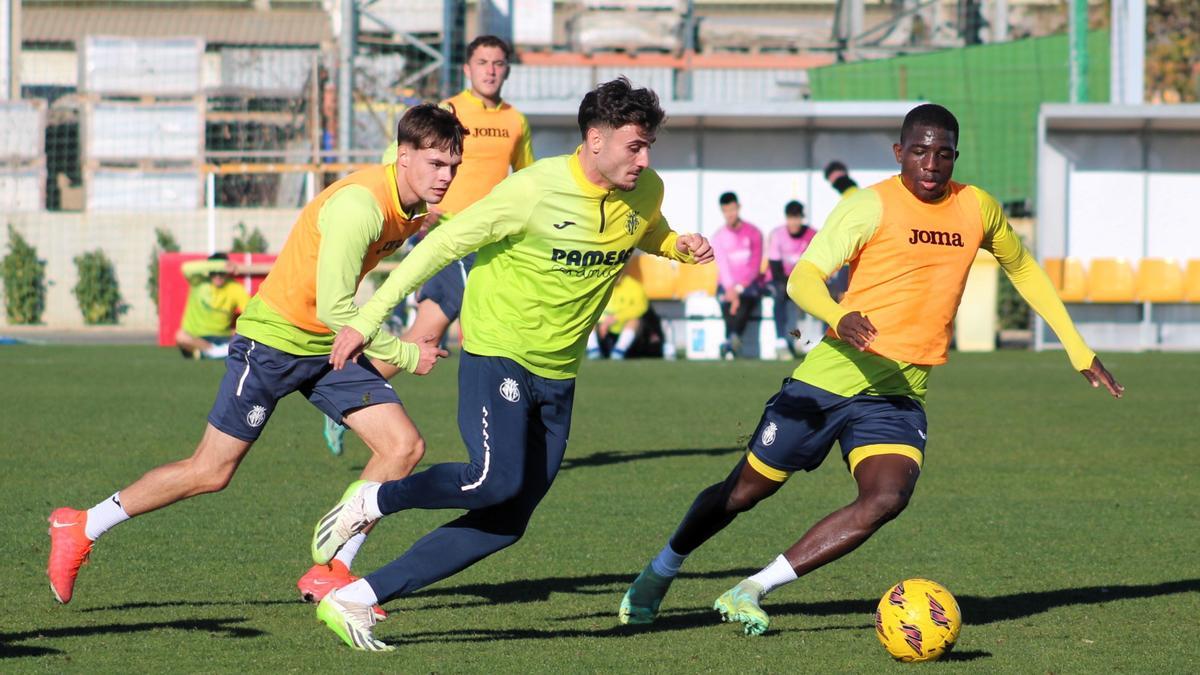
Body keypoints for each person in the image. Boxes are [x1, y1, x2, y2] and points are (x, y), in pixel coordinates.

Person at [618, 103, 1124, 636]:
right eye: (921, 151)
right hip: (827, 382)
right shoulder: (869, 206)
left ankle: (752, 588)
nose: (931, 164)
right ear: (899, 152)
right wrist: (840, 314)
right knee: (744, 492)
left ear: (955, 157)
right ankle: (661, 569)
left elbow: (1022, 267)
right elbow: (803, 279)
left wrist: (1076, 347)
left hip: (899, 393)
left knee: (886, 498)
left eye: (944, 154)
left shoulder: (976, 208)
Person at [306, 77, 714, 652]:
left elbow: (647, 230)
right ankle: (370, 500)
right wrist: (369, 319)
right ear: (595, 140)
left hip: (560, 375)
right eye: (634, 146)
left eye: (648, 146)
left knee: (508, 520)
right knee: (489, 478)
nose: (644, 158)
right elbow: (440, 247)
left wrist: (676, 246)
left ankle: (356, 598)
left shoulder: (646, 190)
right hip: (498, 353)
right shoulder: (531, 190)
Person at [46, 104, 464, 616]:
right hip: (273, 344)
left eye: (453, 167)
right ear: (403, 158)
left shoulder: (410, 192)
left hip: (325, 347)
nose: (446, 178)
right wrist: (404, 352)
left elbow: (336, 314)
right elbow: (336, 308)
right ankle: (82, 525)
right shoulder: (361, 207)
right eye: (436, 165)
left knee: (402, 446)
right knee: (210, 471)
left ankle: (332, 568)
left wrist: (435, 121)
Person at [324, 34, 535, 456]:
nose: (491, 69)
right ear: (467, 69)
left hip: (491, 242)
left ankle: (499, 438)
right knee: (428, 333)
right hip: (448, 239)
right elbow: (398, 155)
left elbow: (528, 179)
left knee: (480, 335)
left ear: (507, 69)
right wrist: (417, 207)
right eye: (483, 62)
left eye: (498, 63)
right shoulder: (450, 111)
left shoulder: (517, 121)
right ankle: (345, 398)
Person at [712, 192, 764, 360]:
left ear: (738, 208)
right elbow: (723, 266)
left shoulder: (754, 232)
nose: (730, 214)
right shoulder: (719, 237)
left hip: (748, 284)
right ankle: (733, 340)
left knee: (744, 301)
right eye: (726, 211)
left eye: (732, 210)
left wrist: (739, 289)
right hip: (727, 286)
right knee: (727, 302)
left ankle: (730, 341)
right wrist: (730, 289)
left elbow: (754, 266)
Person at [175, 252, 250, 360]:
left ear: (227, 272)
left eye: (221, 272)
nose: (218, 276)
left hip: (222, 337)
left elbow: (249, 312)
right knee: (181, 336)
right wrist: (220, 265)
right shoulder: (198, 282)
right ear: (209, 271)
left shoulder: (235, 288)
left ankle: (207, 353)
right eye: (214, 272)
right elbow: (185, 268)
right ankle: (215, 352)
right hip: (197, 337)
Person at [765, 201, 816, 358]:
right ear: (786, 218)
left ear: (802, 218)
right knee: (779, 293)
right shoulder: (778, 235)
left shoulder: (812, 235)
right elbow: (775, 269)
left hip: (805, 279)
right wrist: (792, 284)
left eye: (797, 218)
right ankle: (781, 341)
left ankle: (818, 341)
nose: (794, 222)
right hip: (782, 280)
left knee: (826, 293)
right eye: (790, 218)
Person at [586, 268, 649, 360]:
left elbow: (641, 307)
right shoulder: (598, 285)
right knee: (587, 320)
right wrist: (603, 322)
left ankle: (619, 351)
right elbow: (590, 306)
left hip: (621, 327)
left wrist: (616, 318)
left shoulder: (634, 286)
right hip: (601, 330)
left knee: (634, 321)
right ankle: (593, 350)